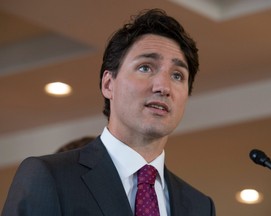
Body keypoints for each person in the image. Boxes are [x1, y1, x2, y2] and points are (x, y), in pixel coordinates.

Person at [1, 8, 215, 216]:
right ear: (108, 84)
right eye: (145, 67)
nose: (163, 87)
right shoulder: (49, 177)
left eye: (177, 75)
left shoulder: (199, 206)